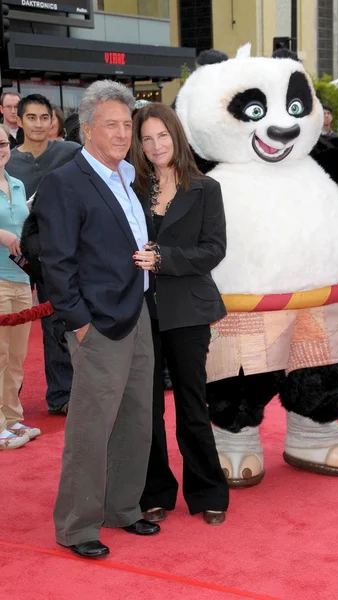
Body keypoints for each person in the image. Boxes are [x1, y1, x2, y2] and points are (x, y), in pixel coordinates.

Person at [35, 80, 159, 559]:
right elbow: (56, 261)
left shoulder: (130, 175)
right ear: (86, 130)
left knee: (135, 418)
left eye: (127, 124)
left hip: (139, 311)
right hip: (97, 323)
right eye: (111, 125)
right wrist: (79, 322)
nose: (122, 133)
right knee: (91, 426)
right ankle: (77, 526)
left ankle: (122, 509)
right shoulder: (66, 182)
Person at [131, 103, 229, 526]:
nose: (155, 145)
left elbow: (214, 250)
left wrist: (163, 258)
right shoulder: (131, 187)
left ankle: (208, 491)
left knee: (191, 403)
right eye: (147, 138)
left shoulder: (205, 188)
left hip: (188, 310)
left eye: (162, 136)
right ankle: (154, 492)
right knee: (146, 408)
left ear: (177, 135)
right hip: (139, 312)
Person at [7, 94, 80, 416]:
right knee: (8, 333)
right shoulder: (6, 158)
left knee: (56, 325)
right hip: (8, 260)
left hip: (52, 254)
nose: (38, 124)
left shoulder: (69, 153)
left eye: (44, 117)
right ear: (18, 121)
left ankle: (62, 394)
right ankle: (8, 401)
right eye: (31, 117)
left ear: (53, 121)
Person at [0, 123, 40, 449]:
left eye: (2, 143)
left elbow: (21, 227)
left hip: (22, 280)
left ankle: (13, 420)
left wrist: (29, 208)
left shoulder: (16, 183)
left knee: (16, 358)